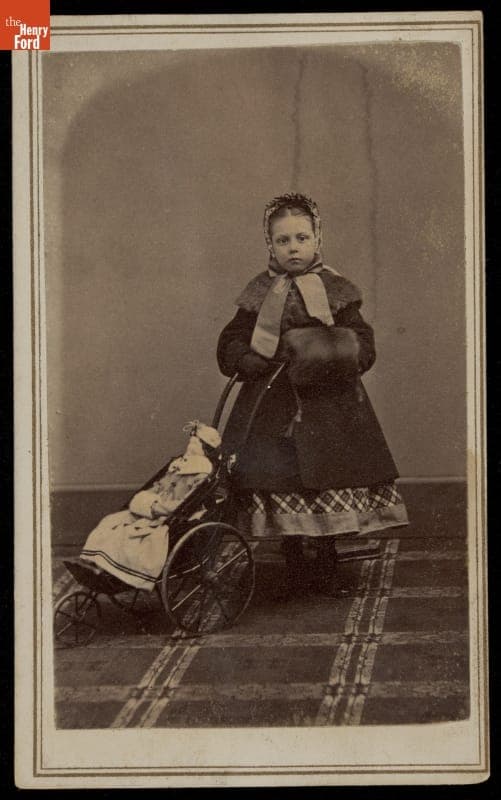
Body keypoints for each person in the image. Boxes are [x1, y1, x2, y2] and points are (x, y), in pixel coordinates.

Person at [217, 193, 408, 596]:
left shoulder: (336, 291)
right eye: (283, 241)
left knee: (326, 478)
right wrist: (244, 358)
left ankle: (325, 558)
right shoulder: (259, 293)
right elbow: (231, 338)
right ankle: (293, 554)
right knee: (281, 477)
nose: (294, 248)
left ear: (317, 239)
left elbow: (364, 343)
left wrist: (331, 349)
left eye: (302, 238)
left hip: (329, 405)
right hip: (273, 404)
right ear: (270, 245)